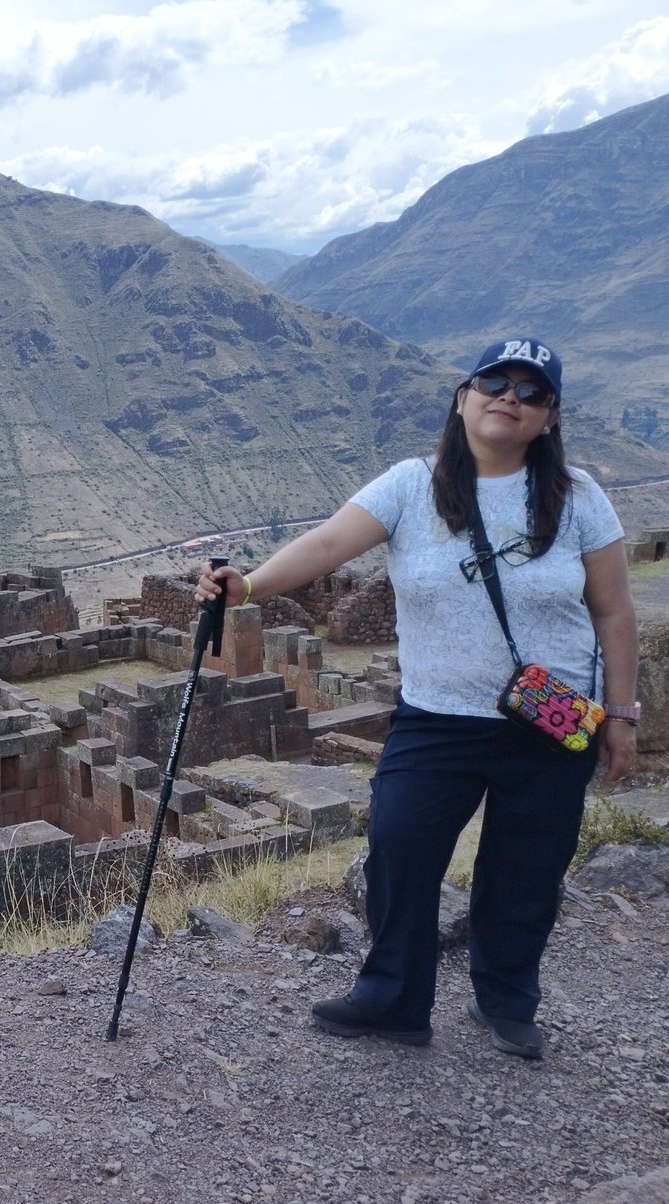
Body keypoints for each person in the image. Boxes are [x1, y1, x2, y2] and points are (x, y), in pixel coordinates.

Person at [197, 337, 638, 1060]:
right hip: (438, 715)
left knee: (527, 866)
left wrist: (620, 714)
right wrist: (248, 586)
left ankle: (507, 997)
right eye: (494, 381)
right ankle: (395, 995)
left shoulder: (580, 497)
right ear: (463, 396)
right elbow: (327, 544)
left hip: (551, 719)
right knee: (399, 847)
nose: (509, 398)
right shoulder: (411, 485)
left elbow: (614, 611)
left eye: (530, 392)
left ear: (550, 417)